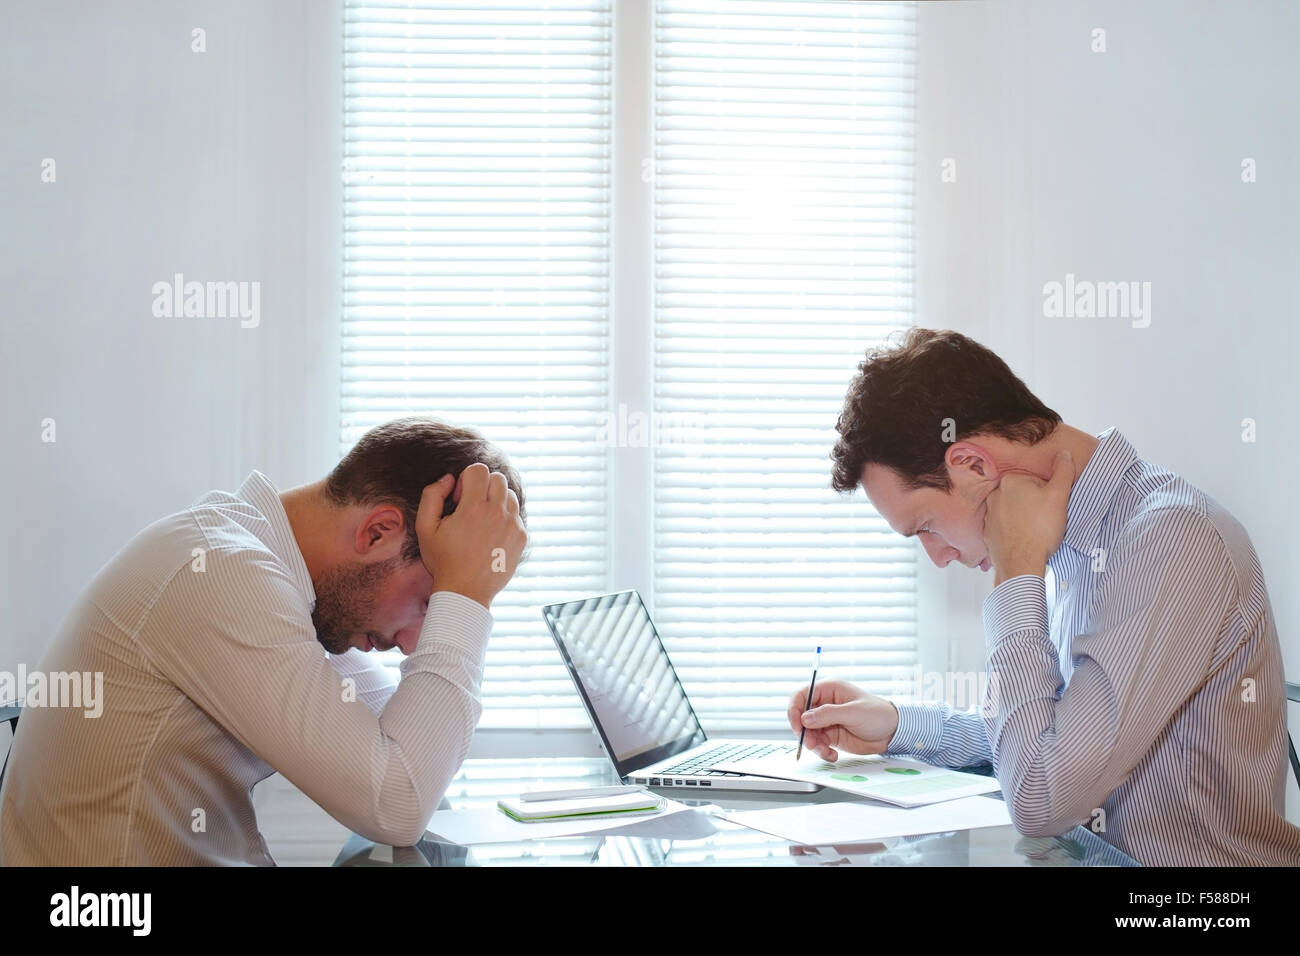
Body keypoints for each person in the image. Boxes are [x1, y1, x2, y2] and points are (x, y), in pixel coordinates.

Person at [787, 328, 1300, 866]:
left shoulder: (1167, 539)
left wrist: (1016, 573)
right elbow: (1048, 742)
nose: (938, 556)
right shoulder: (1076, 540)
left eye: (926, 527)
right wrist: (896, 724)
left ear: (974, 466)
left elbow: (1041, 796)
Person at [0, 416, 528, 865]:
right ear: (377, 533)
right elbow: (397, 804)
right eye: (429, 604)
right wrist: (467, 598)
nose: (416, 643)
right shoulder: (218, 572)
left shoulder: (277, 584)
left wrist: (463, 591)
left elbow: (416, 756)